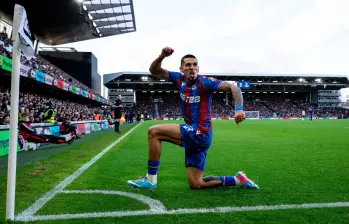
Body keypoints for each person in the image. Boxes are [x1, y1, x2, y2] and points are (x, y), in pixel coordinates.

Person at [126, 47, 258, 190]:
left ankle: (150, 180)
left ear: (198, 68)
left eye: (195, 65)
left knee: (154, 132)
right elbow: (154, 71)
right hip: (195, 135)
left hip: (201, 132)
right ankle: (237, 180)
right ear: (181, 69)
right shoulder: (178, 78)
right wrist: (162, 56)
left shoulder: (205, 82)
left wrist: (239, 109)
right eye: (188, 65)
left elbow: (235, 88)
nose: (192, 68)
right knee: (196, 183)